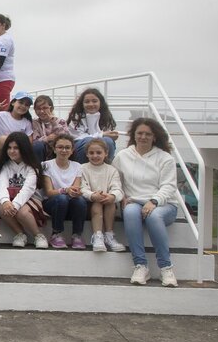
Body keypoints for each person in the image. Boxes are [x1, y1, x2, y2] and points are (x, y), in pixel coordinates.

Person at [113, 118, 180, 287]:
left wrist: (154, 201)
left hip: (164, 204)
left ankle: (166, 268)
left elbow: (169, 186)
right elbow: (115, 181)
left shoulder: (165, 158)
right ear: (134, 135)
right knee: (129, 212)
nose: (143, 137)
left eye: (148, 134)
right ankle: (140, 266)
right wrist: (122, 196)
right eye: (140, 133)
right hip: (134, 201)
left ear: (155, 137)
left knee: (154, 217)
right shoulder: (123, 156)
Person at [0, 132, 48, 249]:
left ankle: (38, 235)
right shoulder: (5, 166)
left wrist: (14, 205)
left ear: (24, 149)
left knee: (22, 212)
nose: (12, 151)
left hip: (30, 199)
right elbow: (3, 186)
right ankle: (20, 234)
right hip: (11, 199)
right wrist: (5, 202)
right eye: (9, 148)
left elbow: (28, 190)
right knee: (1, 206)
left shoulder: (32, 167)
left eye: (16, 148)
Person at [40, 134, 88, 249]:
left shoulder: (77, 166)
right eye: (60, 147)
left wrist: (74, 192)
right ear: (54, 149)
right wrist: (65, 190)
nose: (64, 150)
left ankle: (77, 235)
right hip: (51, 203)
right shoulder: (46, 165)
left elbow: (75, 189)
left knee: (80, 200)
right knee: (62, 198)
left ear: (72, 150)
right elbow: (49, 192)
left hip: (69, 202)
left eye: (67, 147)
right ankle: (56, 233)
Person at [80, 138, 128, 253]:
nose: (95, 156)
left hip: (107, 204)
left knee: (110, 202)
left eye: (99, 153)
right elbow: (82, 188)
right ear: (87, 154)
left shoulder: (112, 170)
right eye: (91, 153)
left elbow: (117, 188)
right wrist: (92, 195)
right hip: (89, 204)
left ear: (106, 153)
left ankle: (109, 235)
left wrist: (112, 196)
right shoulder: (82, 168)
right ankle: (97, 236)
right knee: (97, 203)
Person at [68, 88, 118, 163]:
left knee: (109, 141)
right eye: (87, 102)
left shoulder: (105, 116)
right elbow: (78, 137)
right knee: (88, 141)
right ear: (82, 104)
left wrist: (112, 136)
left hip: (98, 147)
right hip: (79, 148)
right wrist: (101, 134)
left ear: (100, 102)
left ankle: (106, 168)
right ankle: (82, 170)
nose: (91, 104)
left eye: (94, 101)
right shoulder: (76, 117)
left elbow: (107, 135)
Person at [30, 94, 70, 162]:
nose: (42, 111)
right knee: (37, 145)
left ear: (51, 108)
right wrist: (47, 139)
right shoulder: (34, 123)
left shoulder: (61, 121)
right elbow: (35, 140)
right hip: (42, 151)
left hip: (58, 150)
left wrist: (54, 123)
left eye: (45, 108)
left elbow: (65, 137)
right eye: (38, 109)